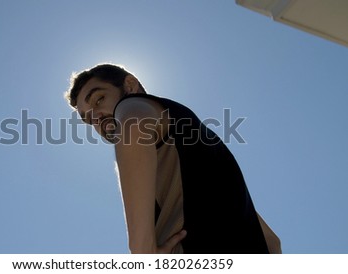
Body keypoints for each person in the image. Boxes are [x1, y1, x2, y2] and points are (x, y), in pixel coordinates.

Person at [65, 63, 281, 254]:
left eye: (99, 99)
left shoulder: (131, 107)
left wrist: (142, 252)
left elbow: (134, 124)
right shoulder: (198, 146)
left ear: (129, 85)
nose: (96, 116)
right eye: (87, 118)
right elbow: (272, 242)